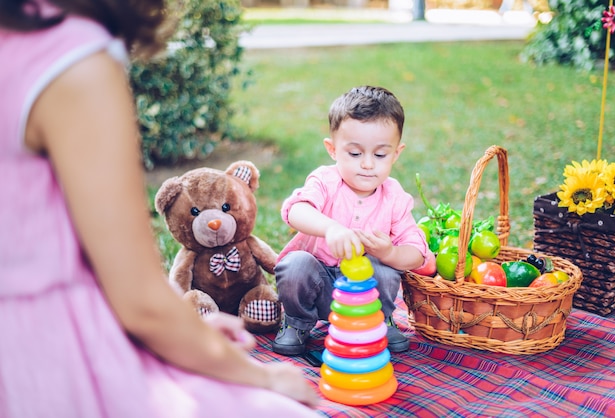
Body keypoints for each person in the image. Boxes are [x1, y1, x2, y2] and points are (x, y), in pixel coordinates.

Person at [0, 1, 319, 417]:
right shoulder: (71, 60)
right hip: (52, 359)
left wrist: (188, 325)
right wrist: (263, 377)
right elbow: (141, 302)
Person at [271, 86, 433, 356]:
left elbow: (417, 252)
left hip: (366, 297)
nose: (368, 164)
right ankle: (297, 323)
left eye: (380, 155)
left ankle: (379, 322)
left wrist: (390, 252)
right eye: (355, 154)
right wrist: (330, 228)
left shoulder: (394, 197)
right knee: (295, 265)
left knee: (384, 266)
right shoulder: (325, 180)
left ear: (396, 153)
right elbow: (295, 209)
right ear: (333, 149)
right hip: (319, 284)